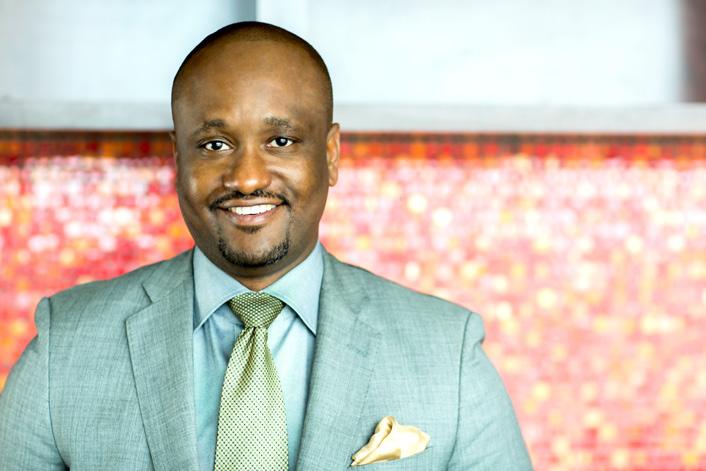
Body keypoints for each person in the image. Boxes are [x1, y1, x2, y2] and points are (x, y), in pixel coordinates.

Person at [0, 21, 532, 470]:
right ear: (178, 158)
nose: (248, 177)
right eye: (214, 144)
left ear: (331, 155)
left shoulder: (448, 355)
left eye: (281, 141)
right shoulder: (64, 349)